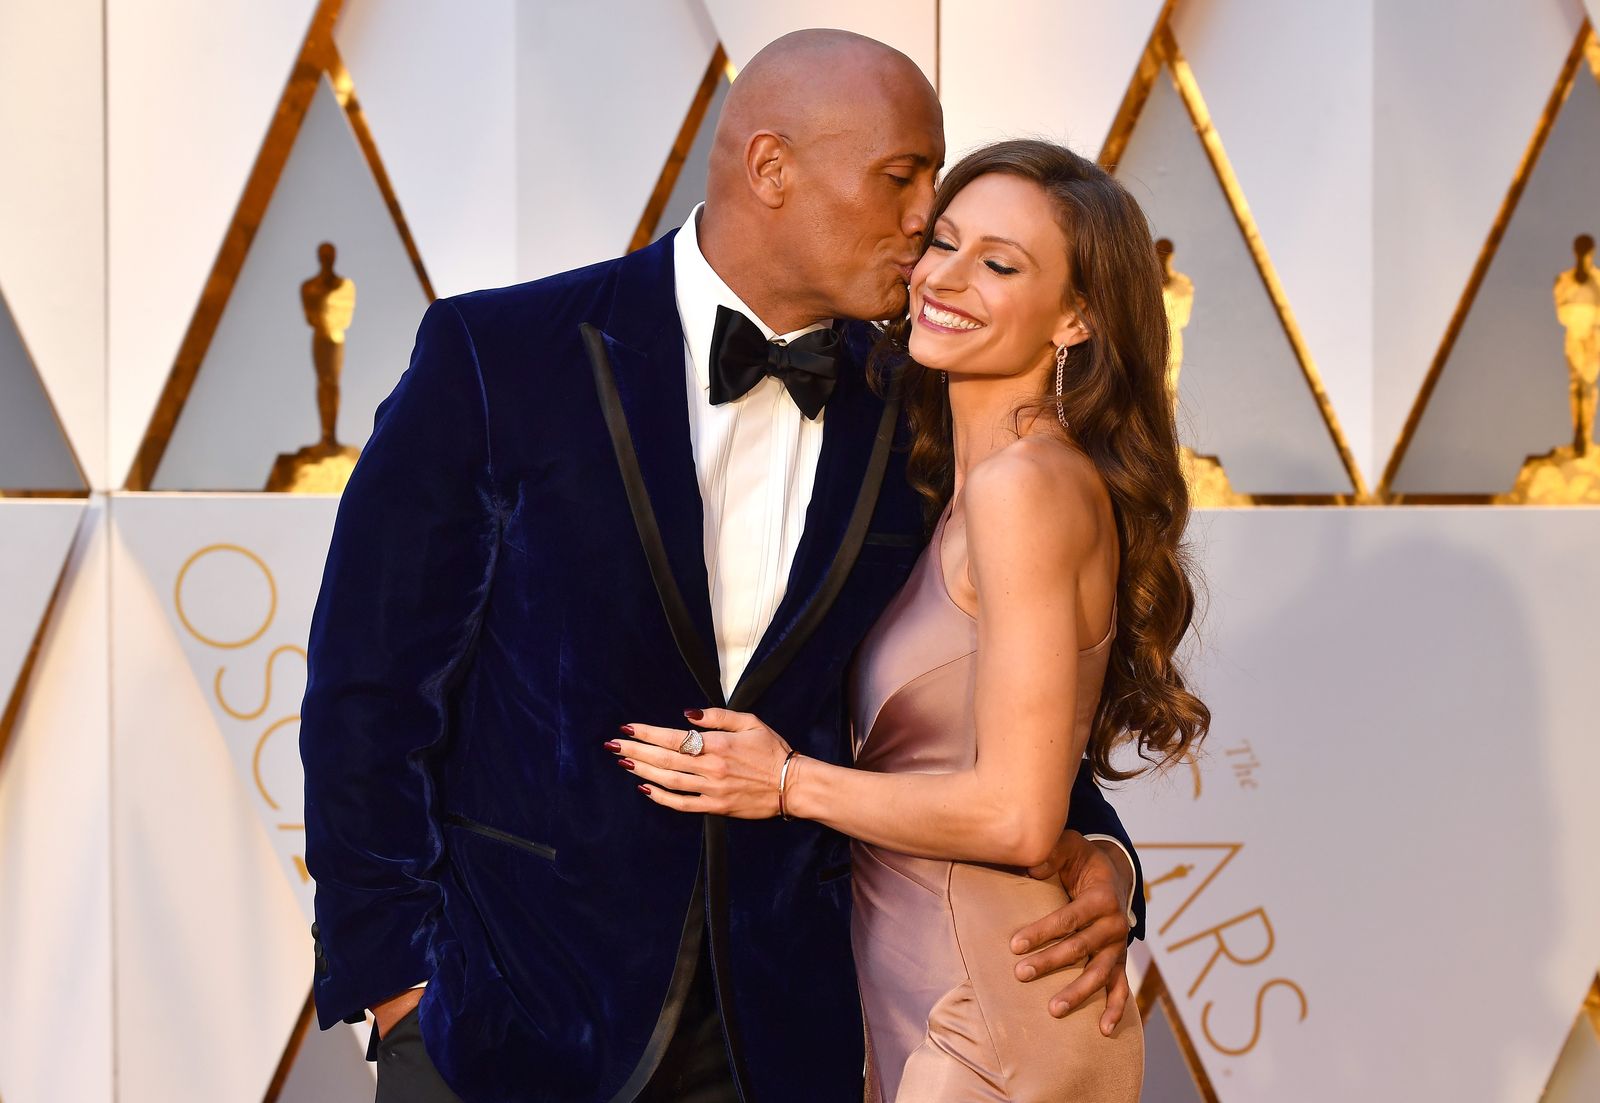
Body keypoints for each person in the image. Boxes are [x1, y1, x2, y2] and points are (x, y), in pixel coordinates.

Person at [301, 32, 1146, 1103]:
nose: (927, 218)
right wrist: (401, 991)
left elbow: (989, 693)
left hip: (786, 1033)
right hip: (507, 1015)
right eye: (903, 177)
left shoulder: (926, 408)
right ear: (771, 167)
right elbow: (367, 696)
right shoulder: (500, 356)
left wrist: (1104, 857)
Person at [614, 139, 1209, 1101]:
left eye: (1000, 264)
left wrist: (785, 781)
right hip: (916, 997)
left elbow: (1017, 815)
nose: (947, 277)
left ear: (1075, 318)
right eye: (944, 241)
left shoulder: (1025, 489)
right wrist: (1105, 859)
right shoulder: (955, 476)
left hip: (977, 1017)